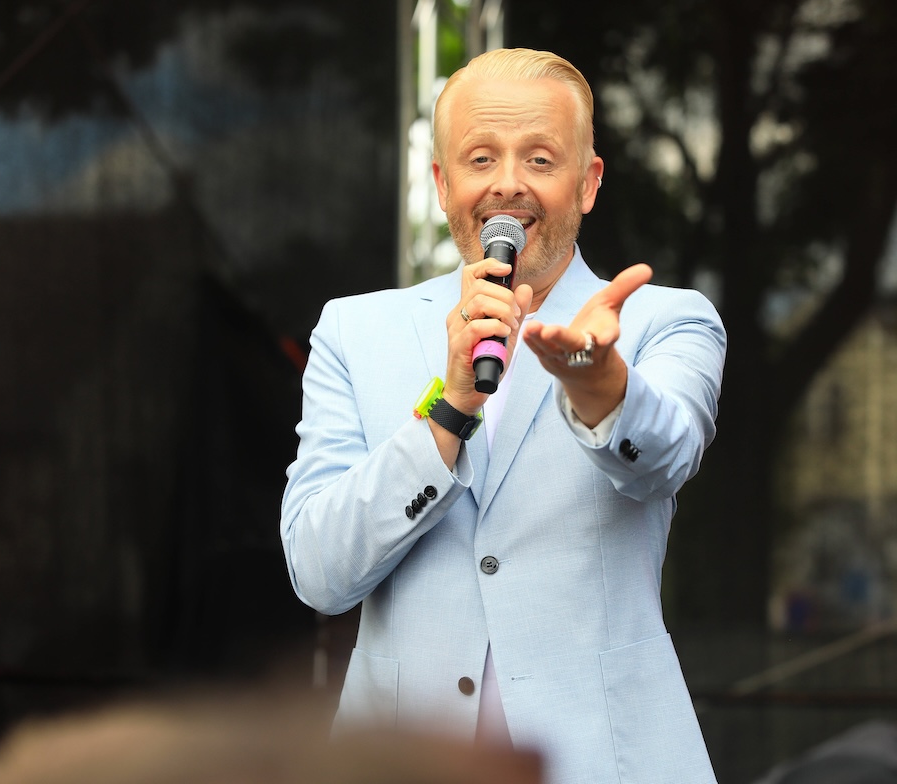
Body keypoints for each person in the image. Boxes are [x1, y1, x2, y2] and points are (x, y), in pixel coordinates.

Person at [281, 47, 725, 783]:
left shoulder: (662, 321)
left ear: (587, 184)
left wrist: (602, 388)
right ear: (442, 182)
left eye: (541, 159)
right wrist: (449, 409)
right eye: (480, 157)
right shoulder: (355, 332)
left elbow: (669, 456)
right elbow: (320, 573)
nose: (508, 184)